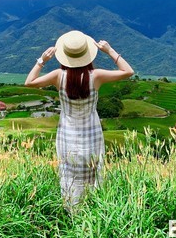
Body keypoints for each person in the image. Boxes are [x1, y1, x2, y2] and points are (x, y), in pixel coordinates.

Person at [24, 30, 134, 210]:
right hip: (92, 133)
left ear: (64, 57)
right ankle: (94, 211)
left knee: (70, 174)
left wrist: (42, 60)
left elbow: (29, 82)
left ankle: (71, 211)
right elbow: (128, 71)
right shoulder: (96, 76)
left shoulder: (58, 76)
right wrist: (110, 50)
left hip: (67, 135)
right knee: (93, 172)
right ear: (88, 55)